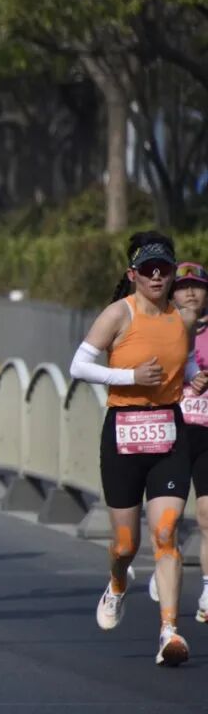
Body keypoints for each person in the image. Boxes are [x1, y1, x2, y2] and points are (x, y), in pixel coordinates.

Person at [68, 232, 198, 666]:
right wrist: (128, 379)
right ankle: (118, 583)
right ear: (133, 275)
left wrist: (196, 376)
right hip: (124, 431)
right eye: (148, 270)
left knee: (167, 532)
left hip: (168, 430)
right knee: (125, 544)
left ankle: (169, 633)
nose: (157, 276)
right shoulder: (117, 315)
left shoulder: (182, 318)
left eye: (164, 269)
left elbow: (187, 358)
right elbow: (78, 365)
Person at [164, 262, 208, 624]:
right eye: (183, 287)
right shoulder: (162, 328)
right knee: (169, 520)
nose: (190, 293)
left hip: (206, 433)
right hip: (173, 433)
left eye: (197, 286)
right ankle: (164, 571)